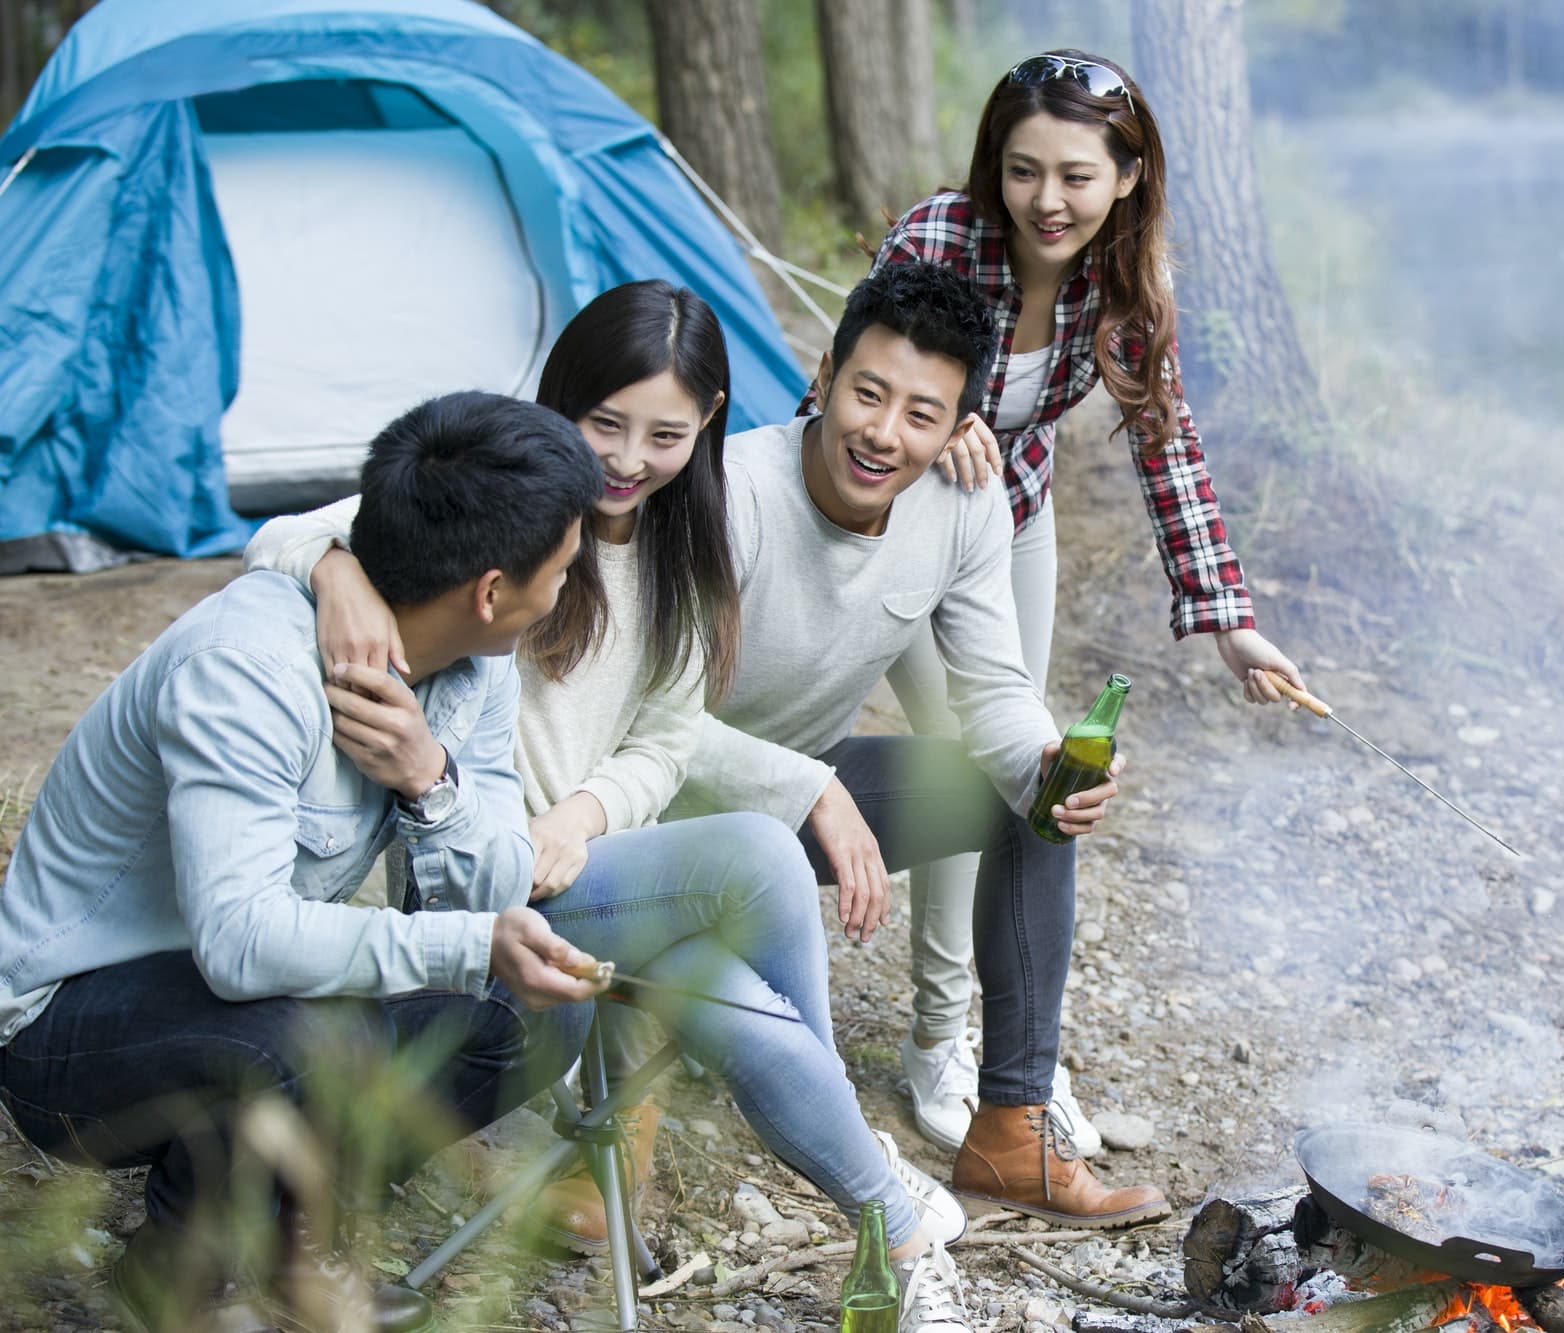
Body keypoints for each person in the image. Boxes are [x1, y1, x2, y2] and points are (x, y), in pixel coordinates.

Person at [244, 282, 973, 1333]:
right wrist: (336, 570)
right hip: (475, 877)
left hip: (584, 865)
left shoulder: (687, 550)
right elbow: (279, 536)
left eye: (664, 434)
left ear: (708, 422)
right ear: (562, 402)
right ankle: (883, 1196)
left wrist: (581, 815)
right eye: (604, 424)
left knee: (725, 980)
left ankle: (888, 1231)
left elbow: (664, 741)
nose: (627, 459)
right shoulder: (508, 498)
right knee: (760, 856)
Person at [0, 392, 608, 1333]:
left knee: (526, 1020)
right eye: (563, 569)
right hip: (69, 1024)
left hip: (241, 998)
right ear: (491, 589)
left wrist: (429, 779)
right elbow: (239, 945)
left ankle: (283, 1219)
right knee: (311, 1037)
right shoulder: (246, 668)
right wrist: (466, 942)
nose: (567, 586)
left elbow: (490, 882)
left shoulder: (478, 666)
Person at [811, 49, 1310, 1155]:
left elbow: (1162, 441)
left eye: (1076, 176)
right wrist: (933, 421)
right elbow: (835, 386)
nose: (1046, 200)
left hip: (1007, 528)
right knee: (964, 773)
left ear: (1128, 176)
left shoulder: (1127, 281)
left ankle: (1013, 1050)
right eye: (1024, 170)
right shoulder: (939, 235)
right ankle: (941, 1039)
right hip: (900, 524)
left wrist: (1224, 618)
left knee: (1024, 767)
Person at [668, 259, 1169, 1228]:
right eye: (866, 394)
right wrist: (810, 784)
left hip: (808, 797)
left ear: (958, 428)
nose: (882, 433)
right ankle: (618, 1118)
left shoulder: (963, 500)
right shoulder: (730, 492)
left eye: (920, 414)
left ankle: (1009, 1129)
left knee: (1029, 803)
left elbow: (993, 690)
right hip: (668, 805)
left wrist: (1043, 760)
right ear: (822, 374)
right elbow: (655, 725)